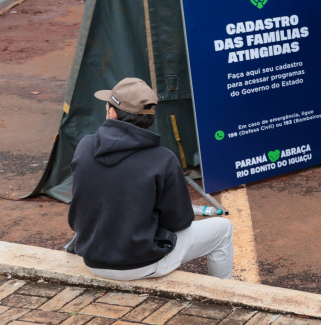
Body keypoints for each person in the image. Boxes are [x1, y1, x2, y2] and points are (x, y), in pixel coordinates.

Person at [67, 78, 234, 280]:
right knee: (224, 229)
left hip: (92, 258)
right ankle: (224, 291)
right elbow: (179, 222)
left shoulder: (85, 146)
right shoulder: (163, 158)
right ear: (150, 118)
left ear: (112, 113)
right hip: (140, 264)